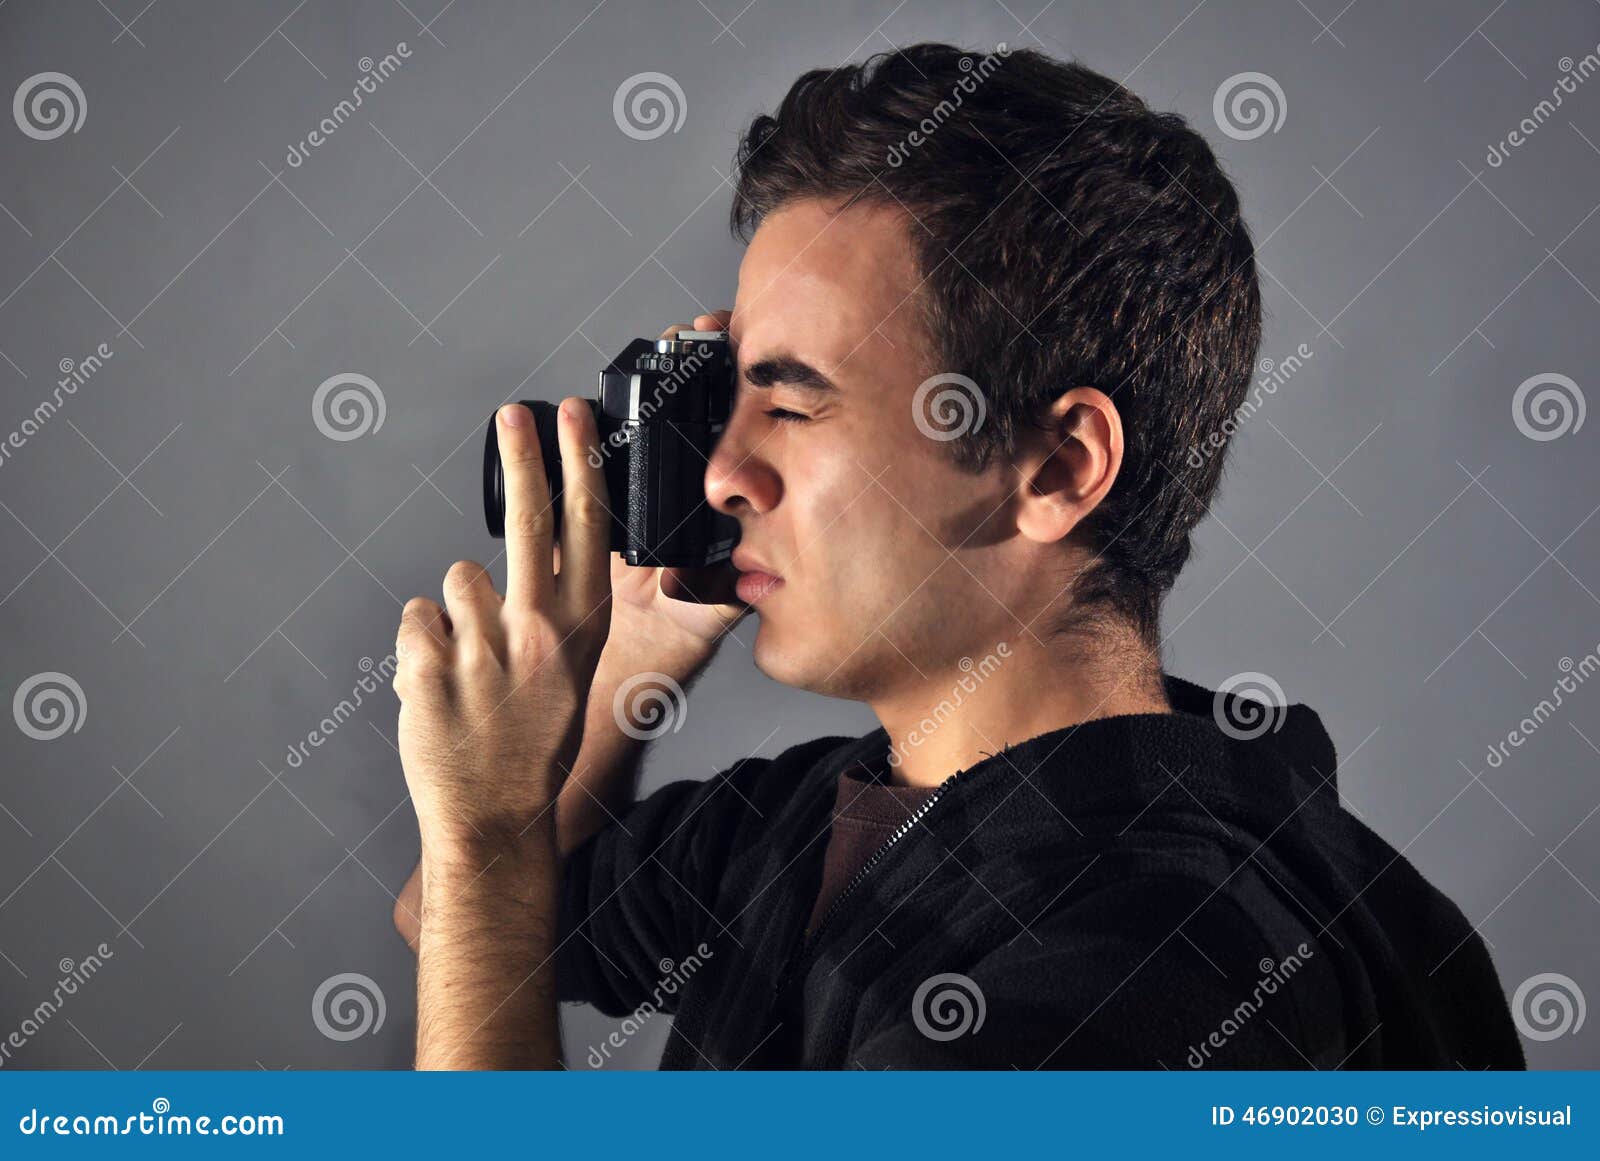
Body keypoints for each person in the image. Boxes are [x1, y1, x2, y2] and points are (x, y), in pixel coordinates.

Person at [388, 43, 1524, 1069]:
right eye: (727, 403)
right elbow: (466, 924)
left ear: (1057, 467)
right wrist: (629, 656)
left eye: (789, 406)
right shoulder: (811, 823)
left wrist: (489, 844)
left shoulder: (1150, 967)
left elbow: (485, 894)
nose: (722, 475)